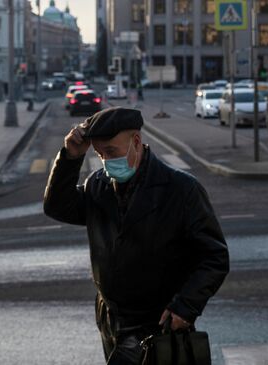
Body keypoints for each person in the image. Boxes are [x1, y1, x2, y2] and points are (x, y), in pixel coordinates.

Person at [43, 107, 229, 364]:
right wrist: (70, 157)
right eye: (99, 154)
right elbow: (57, 207)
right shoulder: (98, 185)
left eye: (111, 152)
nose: (106, 161)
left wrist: (186, 307)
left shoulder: (181, 190)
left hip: (159, 323)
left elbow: (214, 256)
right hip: (112, 321)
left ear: (137, 142)